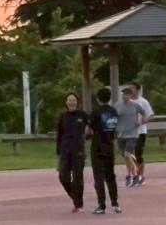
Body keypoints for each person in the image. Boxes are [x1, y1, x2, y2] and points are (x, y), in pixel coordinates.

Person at [54, 93, 91, 213]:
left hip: (78, 151)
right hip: (65, 150)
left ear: (77, 102)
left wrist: (89, 134)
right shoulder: (62, 116)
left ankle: (78, 204)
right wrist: (59, 151)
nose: (72, 102)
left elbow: (91, 128)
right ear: (66, 102)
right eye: (69, 100)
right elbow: (59, 134)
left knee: (77, 179)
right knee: (63, 176)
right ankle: (75, 197)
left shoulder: (83, 115)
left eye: (74, 100)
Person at [89, 87, 122, 215]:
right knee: (110, 176)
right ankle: (115, 203)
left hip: (97, 147)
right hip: (109, 146)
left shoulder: (95, 112)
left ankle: (101, 205)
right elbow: (116, 129)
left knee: (98, 177)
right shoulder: (114, 112)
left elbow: (89, 129)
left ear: (98, 98)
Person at [115, 86, 144, 188]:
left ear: (131, 95)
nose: (124, 96)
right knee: (126, 156)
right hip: (121, 134)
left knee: (128, 153)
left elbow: (144, 114)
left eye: (127, 94)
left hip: (132, 134)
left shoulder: (136, 106)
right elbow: (113, 118)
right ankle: (129, 175)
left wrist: (139, 122)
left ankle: (136, 174)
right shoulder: (117, 106)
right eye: (123, 94)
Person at [130, 83, 155, 186]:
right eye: (130, 88)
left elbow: (151, 115)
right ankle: (135, 175)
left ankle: (141, 175)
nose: (131, 90)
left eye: (133, 88)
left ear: (138, 90)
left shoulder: (143, 102)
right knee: (129, 155)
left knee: (138, 153)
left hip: (140, 132)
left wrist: (143, 122)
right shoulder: (127, 102)